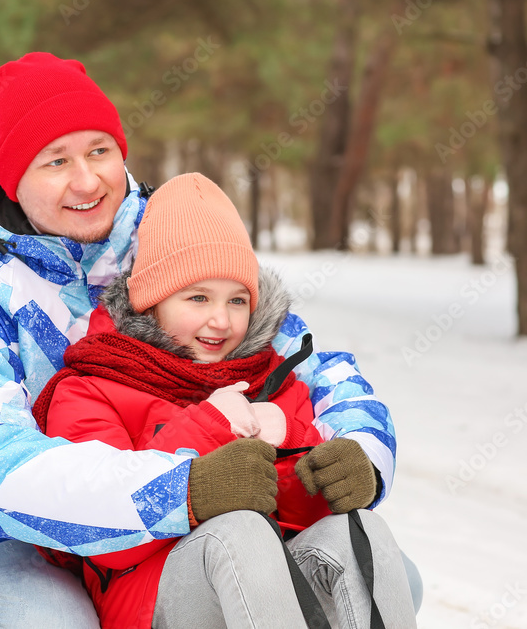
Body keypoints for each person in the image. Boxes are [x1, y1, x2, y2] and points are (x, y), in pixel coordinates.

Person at [0, 52, 415, 628]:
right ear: (13, 177)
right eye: (55, 161)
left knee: (378, 573)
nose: (86, 180)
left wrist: (362, 457)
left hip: (197, 513)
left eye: (99, 152)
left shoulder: (171, 234)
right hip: (12, 534)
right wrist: (180, 491)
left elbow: (305, 367)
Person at [32, 172, 418, 629]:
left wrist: (300, 449)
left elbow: (300, 519)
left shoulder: (269, 377)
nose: (221, 320)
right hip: (150, 596)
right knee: (240, 532)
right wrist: (211, 428)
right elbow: (99, 530)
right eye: (198, 297)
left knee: (363, 534)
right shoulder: (91, 385)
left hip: (268, 590)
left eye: (237, 301)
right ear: (152, 301)